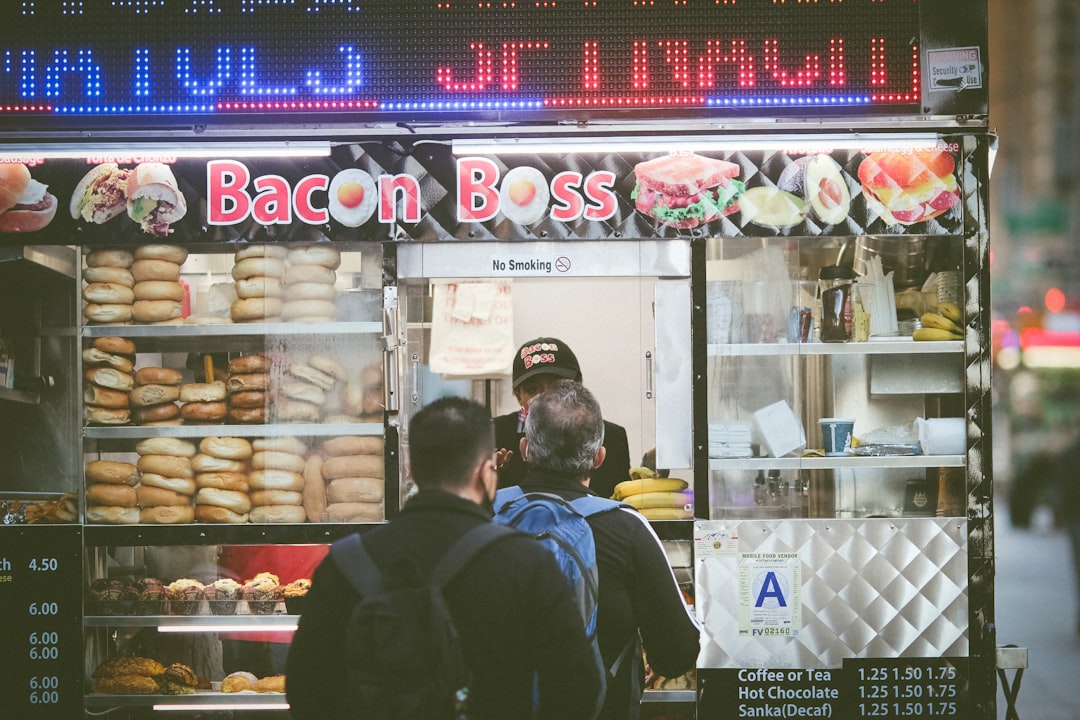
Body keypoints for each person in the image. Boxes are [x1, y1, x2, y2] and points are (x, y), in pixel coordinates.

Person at [286, 396, 604, 720]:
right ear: (486, 474)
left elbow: (305, 689)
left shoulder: (344, 564)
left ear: (411, 470)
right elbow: (577, 687)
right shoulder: (526, 564)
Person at [513, 380, 700, 720]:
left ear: (526, 449)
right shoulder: (626, 529)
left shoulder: (483, 518)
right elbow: (677, 653)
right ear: (599, 457)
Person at [495, 336, 631, 499]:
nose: (545, 398)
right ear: (519, 396)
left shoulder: (611, 438)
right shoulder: (495, 435)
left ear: (579, 387)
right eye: (533, 389)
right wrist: (489, 480)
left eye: (558, 386)